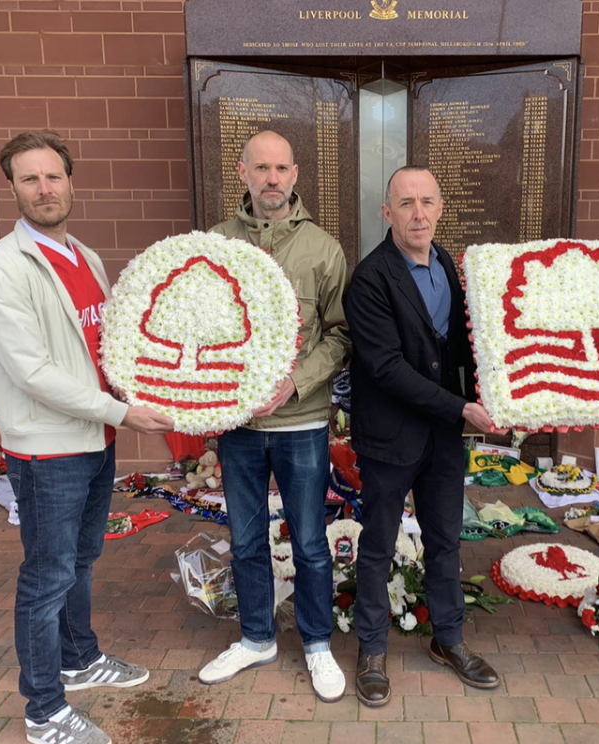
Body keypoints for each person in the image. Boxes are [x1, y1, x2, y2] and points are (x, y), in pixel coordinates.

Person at [0, 130, 174, 744]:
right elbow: (32, 371)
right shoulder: (0, 267)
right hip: (48, 447)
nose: (44, 189)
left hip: (93, 439)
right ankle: (44, 711)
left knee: (82, 560)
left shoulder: (86, 256)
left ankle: (79, 659)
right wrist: (121, 412)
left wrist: (146, 392)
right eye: (30, 179)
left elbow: (106, 349)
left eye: (53, 176)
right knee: (47, 575)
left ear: (70, 181)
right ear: (12, 187)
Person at [198, 131, 351, 703]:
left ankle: (316, 642)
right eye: (261, 167)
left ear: (294, 175)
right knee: (244, 539)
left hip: (302, 424)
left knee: (310, 541)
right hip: (238, 428)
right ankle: (257, 636)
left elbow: (341, 334)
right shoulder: (214, 242)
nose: (271, 178)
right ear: (242, 172)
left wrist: (295, 382)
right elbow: (202, 330)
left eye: (281, 168)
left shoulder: (323, 249)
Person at [344, 165, 501, 707]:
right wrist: (462, 408)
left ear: (439, 209)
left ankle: (449, 640)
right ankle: (371, 650)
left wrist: (498, 394)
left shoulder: (449, 269)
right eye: (406, 203)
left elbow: (461, 349)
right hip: (390, 438)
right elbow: (386, 368)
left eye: (427, 202)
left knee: (445, 541)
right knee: (378, 545)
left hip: (443, 438)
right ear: (387, 213)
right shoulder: (369, 278)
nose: (418, 213)